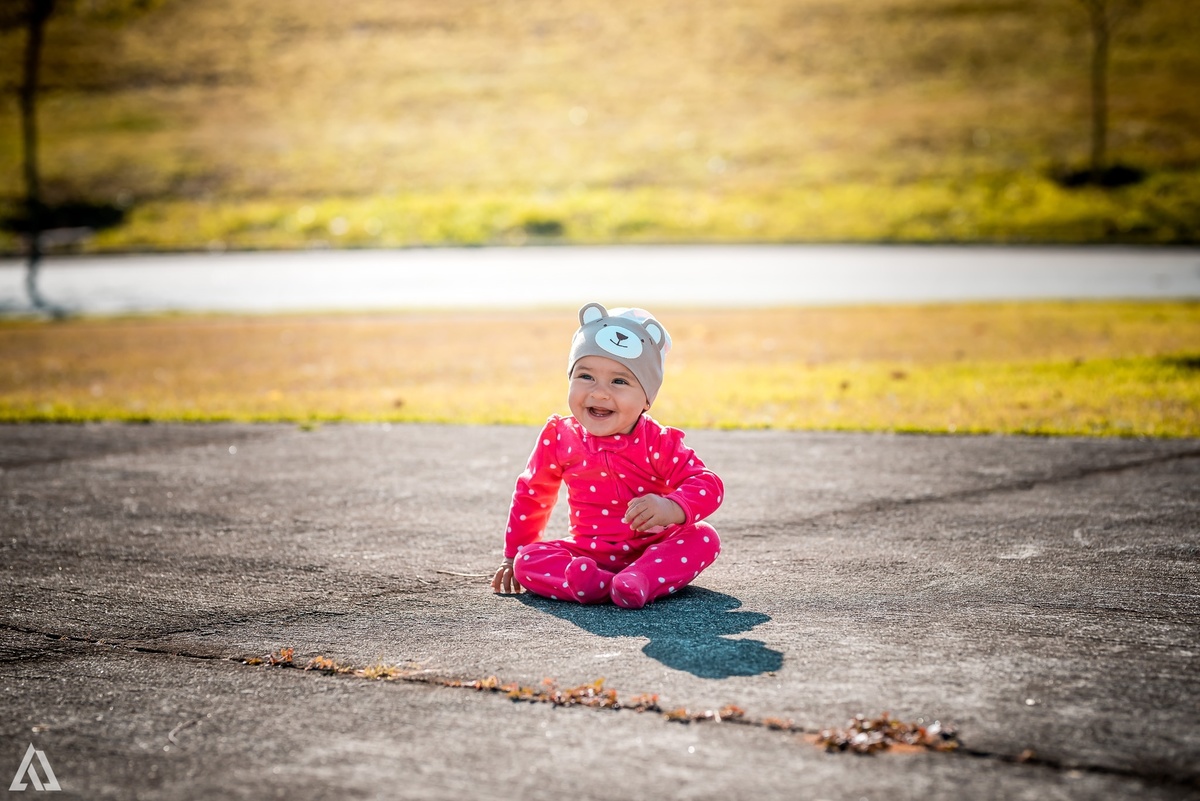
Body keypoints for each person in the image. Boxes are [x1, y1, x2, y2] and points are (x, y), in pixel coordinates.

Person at [491, 302, 723, 609]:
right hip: (588, 552)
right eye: (586, 376)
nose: (599, 393)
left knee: (704, 537)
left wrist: (671, 507)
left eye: (619, 381)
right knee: (527, 560)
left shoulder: (657, 441)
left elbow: (707, 484)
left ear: (647, 398)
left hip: (654, 547)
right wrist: (512, 556)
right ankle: (592, 584)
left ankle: (640, 578)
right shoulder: (560, 436)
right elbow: (533, 493)